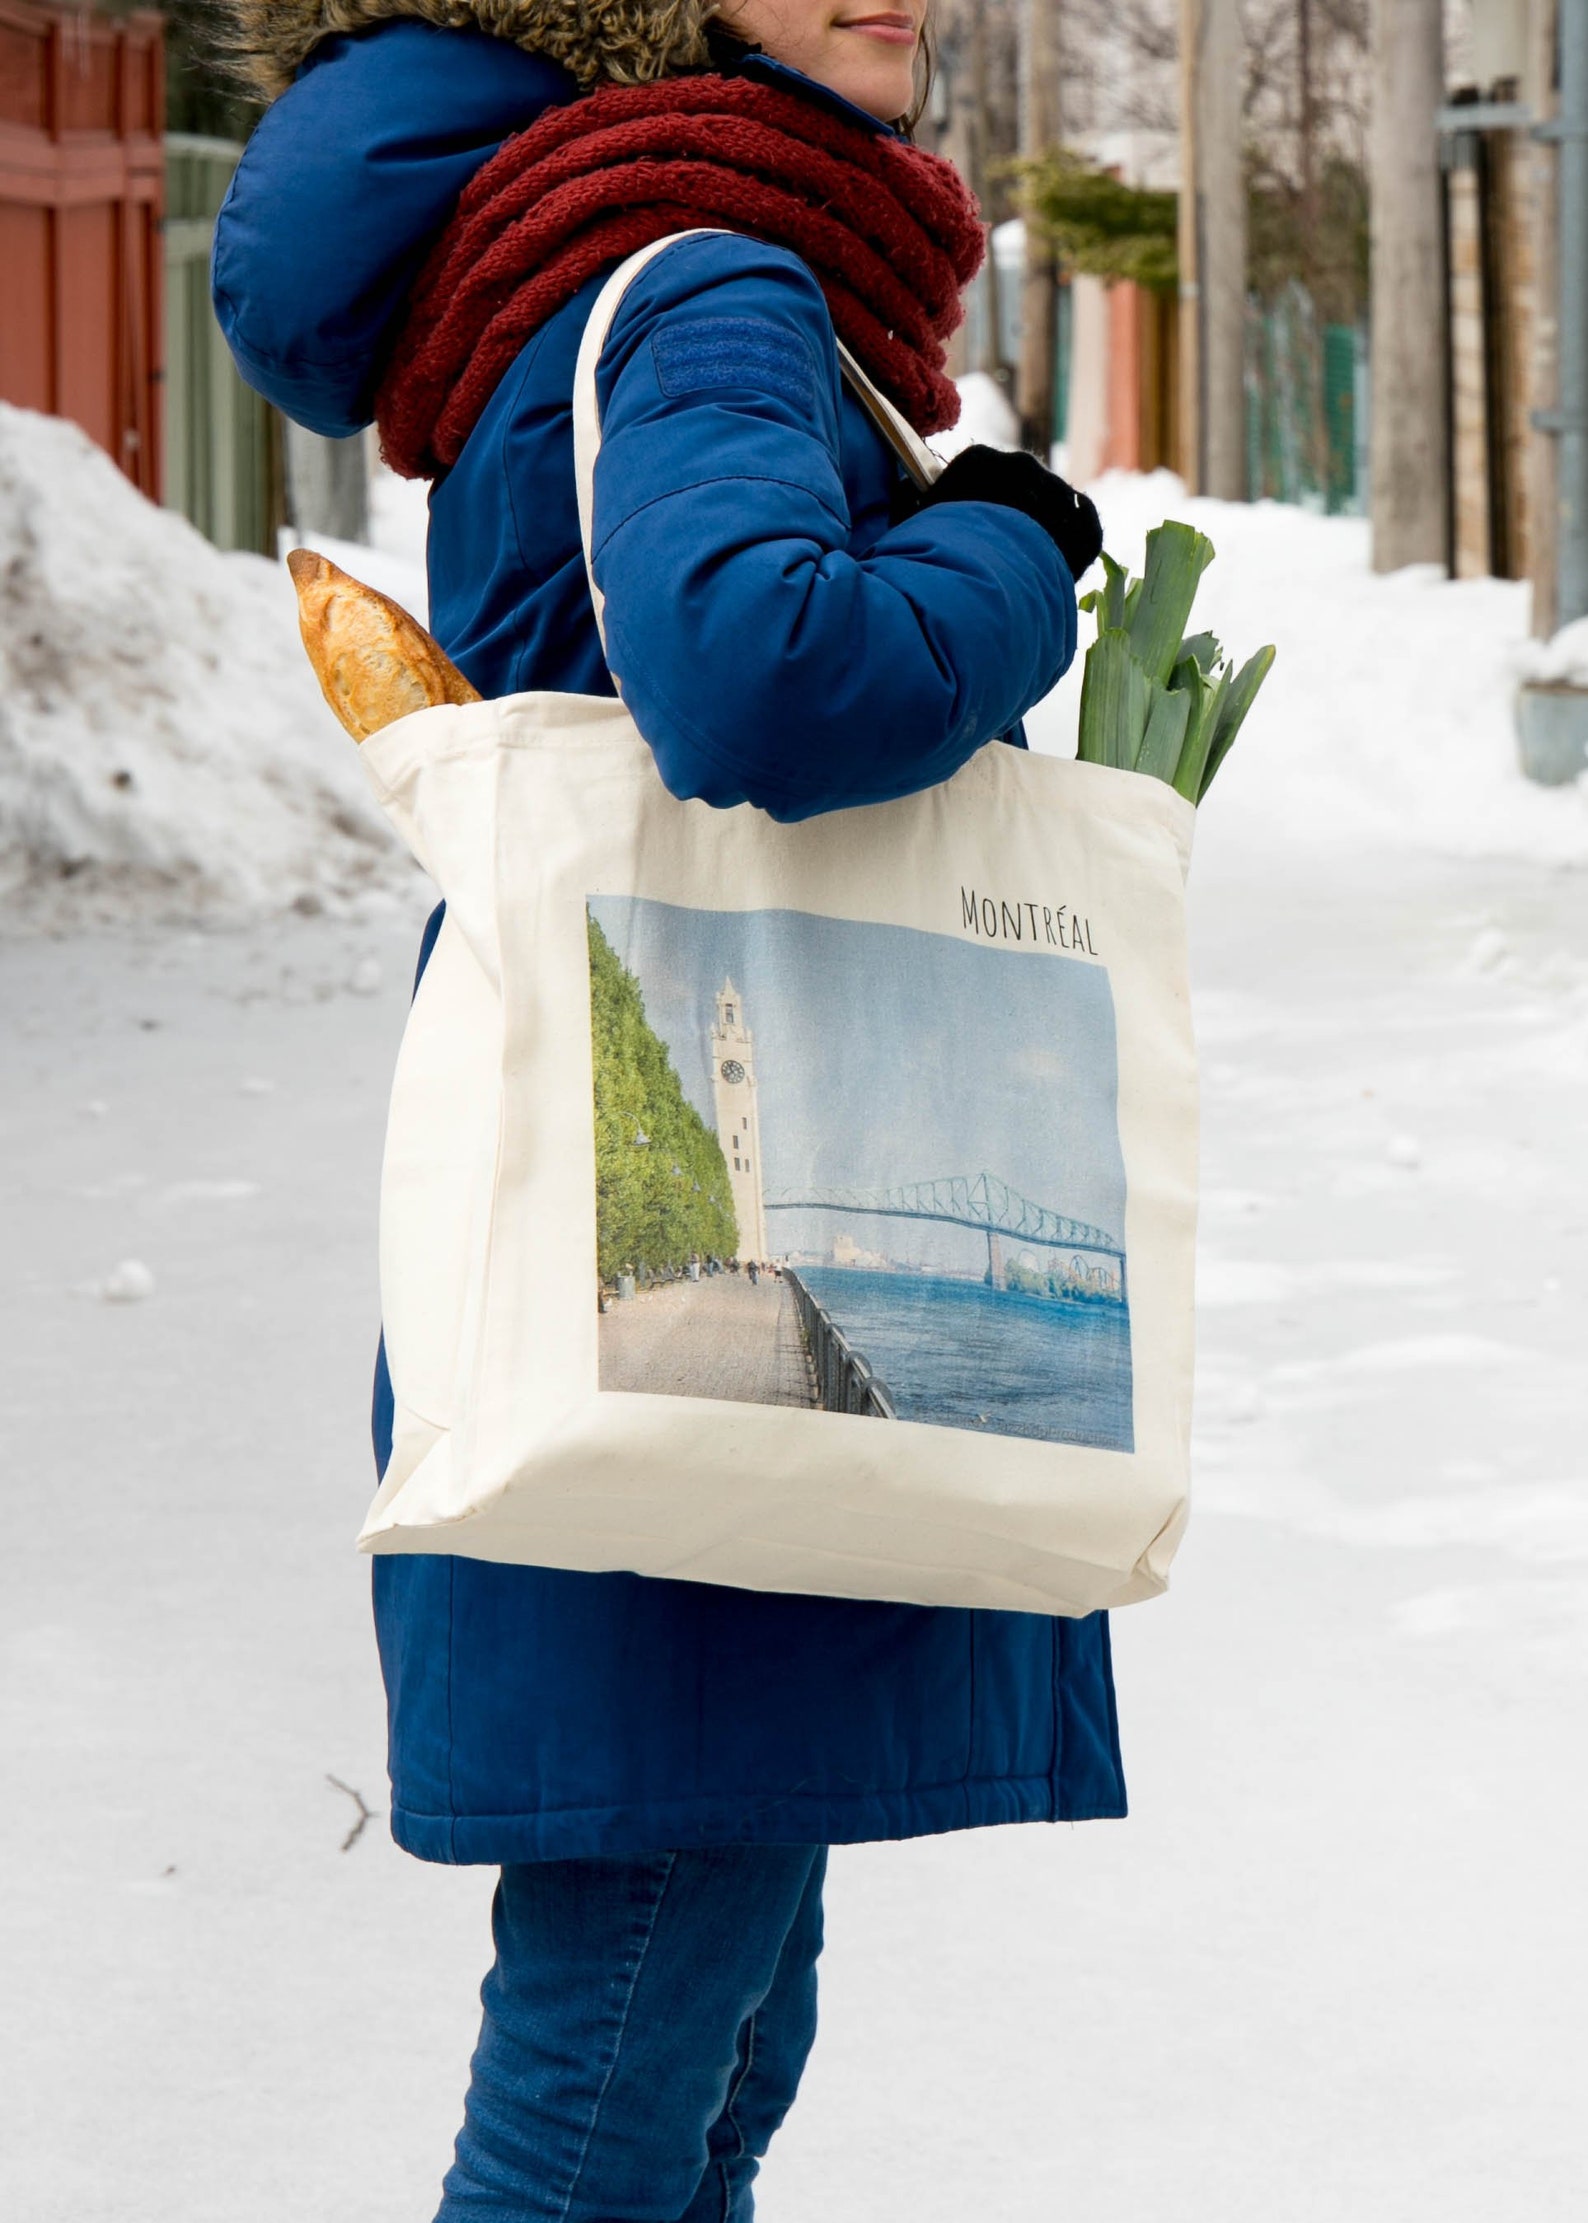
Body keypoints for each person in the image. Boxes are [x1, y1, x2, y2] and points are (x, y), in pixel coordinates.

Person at [214, 3, 1116, 2216]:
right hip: (690, 1211)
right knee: (632, 2010)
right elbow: (756, 672)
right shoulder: (709, 250)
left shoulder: (587, 236)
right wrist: (1010, 540)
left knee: (703, 1990)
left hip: (620, 1177)